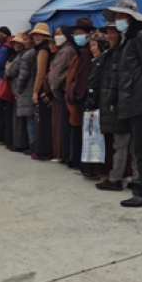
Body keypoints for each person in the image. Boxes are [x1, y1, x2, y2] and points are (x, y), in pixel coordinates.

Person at [102, 0, 142, 207]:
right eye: (117, 16)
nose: (118, 19)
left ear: (131, 17)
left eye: (122, 16)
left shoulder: (140, 37)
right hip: (134, 100)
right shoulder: (129, 38)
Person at [95, 23, 138, 191]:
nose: (109, 36)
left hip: (120, 105)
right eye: (108, 33)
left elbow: (115, 81)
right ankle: (135, 178)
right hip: (121, 104)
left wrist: (109, 100)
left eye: (113, 32)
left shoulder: (119, 54)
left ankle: (116, 179)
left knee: (122, 144)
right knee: (128, 144)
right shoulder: (113, 53)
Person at [64, 18, 96, 174]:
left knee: (82, 131)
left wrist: (76, 94)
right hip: (77, 96)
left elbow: (83, 77)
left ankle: (80, 163)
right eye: (75, 34)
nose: (77, 36)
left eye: (80, 33)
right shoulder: (81, 51)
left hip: (82, 98)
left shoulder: (86, 52)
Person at [82, 30, 111, 178]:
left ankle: (100, 170)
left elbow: (94, 84)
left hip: (100, 104)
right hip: (96, 103)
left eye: (94, 45)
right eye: (90, 46)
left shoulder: (103, 61)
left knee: (99, 138)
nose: (92, 48)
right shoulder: (96, 61)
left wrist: (90, 103)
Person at [47, 27, 75, 163]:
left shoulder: (66, 51)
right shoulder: (65, 50)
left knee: (62, 125)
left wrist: (53, 89)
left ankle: (64, 155)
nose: (57, 37)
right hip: (60, 90)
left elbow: (55, 74)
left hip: (61, 91)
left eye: (59, 34)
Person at [7, 31, 34, 153]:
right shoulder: (24, 54)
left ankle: (26, 144)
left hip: (23, 91)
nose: (17, 45)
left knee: (24, 119)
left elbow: (12, 72)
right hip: (24, 90)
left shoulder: (24, 55)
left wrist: (7, 68)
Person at [29, 23, 53, 161]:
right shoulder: (43, 48)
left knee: (42, 120)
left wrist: (35, 91)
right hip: (45, 88)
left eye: (39, 35)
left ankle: (43, 150)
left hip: (42, 89)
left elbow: (40, 73)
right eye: (35, 35)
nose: (36, 37)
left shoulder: (43, 50)